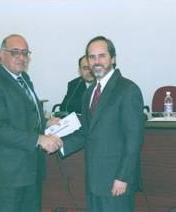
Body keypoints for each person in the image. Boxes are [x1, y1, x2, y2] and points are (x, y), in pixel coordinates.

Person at [0, 34, 62, 212]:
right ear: (1, 54)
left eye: (25, 53)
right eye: (15, 52)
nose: (21, 57)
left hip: (31, 169)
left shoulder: (24, 79)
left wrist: (45, 122)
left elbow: (26, 116)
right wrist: (38, 139)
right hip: (8, 173)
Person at [61, 36, 144, 212]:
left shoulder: (127, 89)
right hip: (94, 180)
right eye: (92, 57)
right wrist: (59, 145)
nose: (96, 61)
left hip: (116, 181)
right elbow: (87, 132)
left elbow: (134, 139)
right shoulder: (90, 91)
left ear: (113, 58)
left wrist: (123, 177)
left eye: (102, 56)